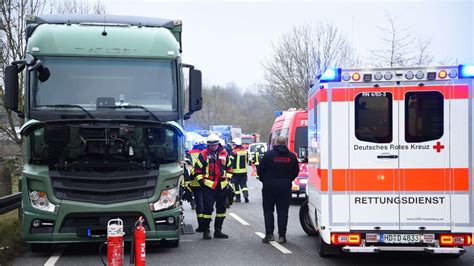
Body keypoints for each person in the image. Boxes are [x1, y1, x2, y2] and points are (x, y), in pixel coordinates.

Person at [257, 136, 299, 244]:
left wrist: (264, 180)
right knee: (283, 211)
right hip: (285, 186)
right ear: (285, 143)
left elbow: (260, 170)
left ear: (275, 143)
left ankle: (269, 235)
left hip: (269, 186)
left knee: (268, 211)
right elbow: (296, 171)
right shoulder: (291, 156)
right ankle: (282, 236)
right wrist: (288, 179)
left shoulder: (268, 155)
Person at [194, 134, 233, 239]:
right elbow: (197, 170)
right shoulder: (203, 154)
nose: (213, 147)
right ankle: (206, 231)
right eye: (211, 145)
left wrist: (228, 178)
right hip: (208, 186)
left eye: (215, 145)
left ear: (218, 144)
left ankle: (218, 231)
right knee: (208, 209)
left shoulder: (224, 153)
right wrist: (202, 182)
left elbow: (229, 168)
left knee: (221, 209)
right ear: (208, 145)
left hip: (222, 186)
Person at [186, 140, 206, 232]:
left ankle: (201, 225)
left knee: (199, 204)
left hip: (194, 182)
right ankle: (205, 225)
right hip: (205, 182)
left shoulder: (188, 155)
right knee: (206, 204)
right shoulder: (205, 154)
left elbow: (187, 169)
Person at [229, 138, 249, 203]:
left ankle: (238, 198)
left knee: (235, 185)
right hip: (244, 171)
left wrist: (229, 170)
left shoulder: (234, 152)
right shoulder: (245, 151)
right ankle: (246, 195)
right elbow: (248, 160)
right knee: (244, 184)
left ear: (237, 144)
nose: (233, 145)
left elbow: (230, 162)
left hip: (235, 172)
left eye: (234, 144)